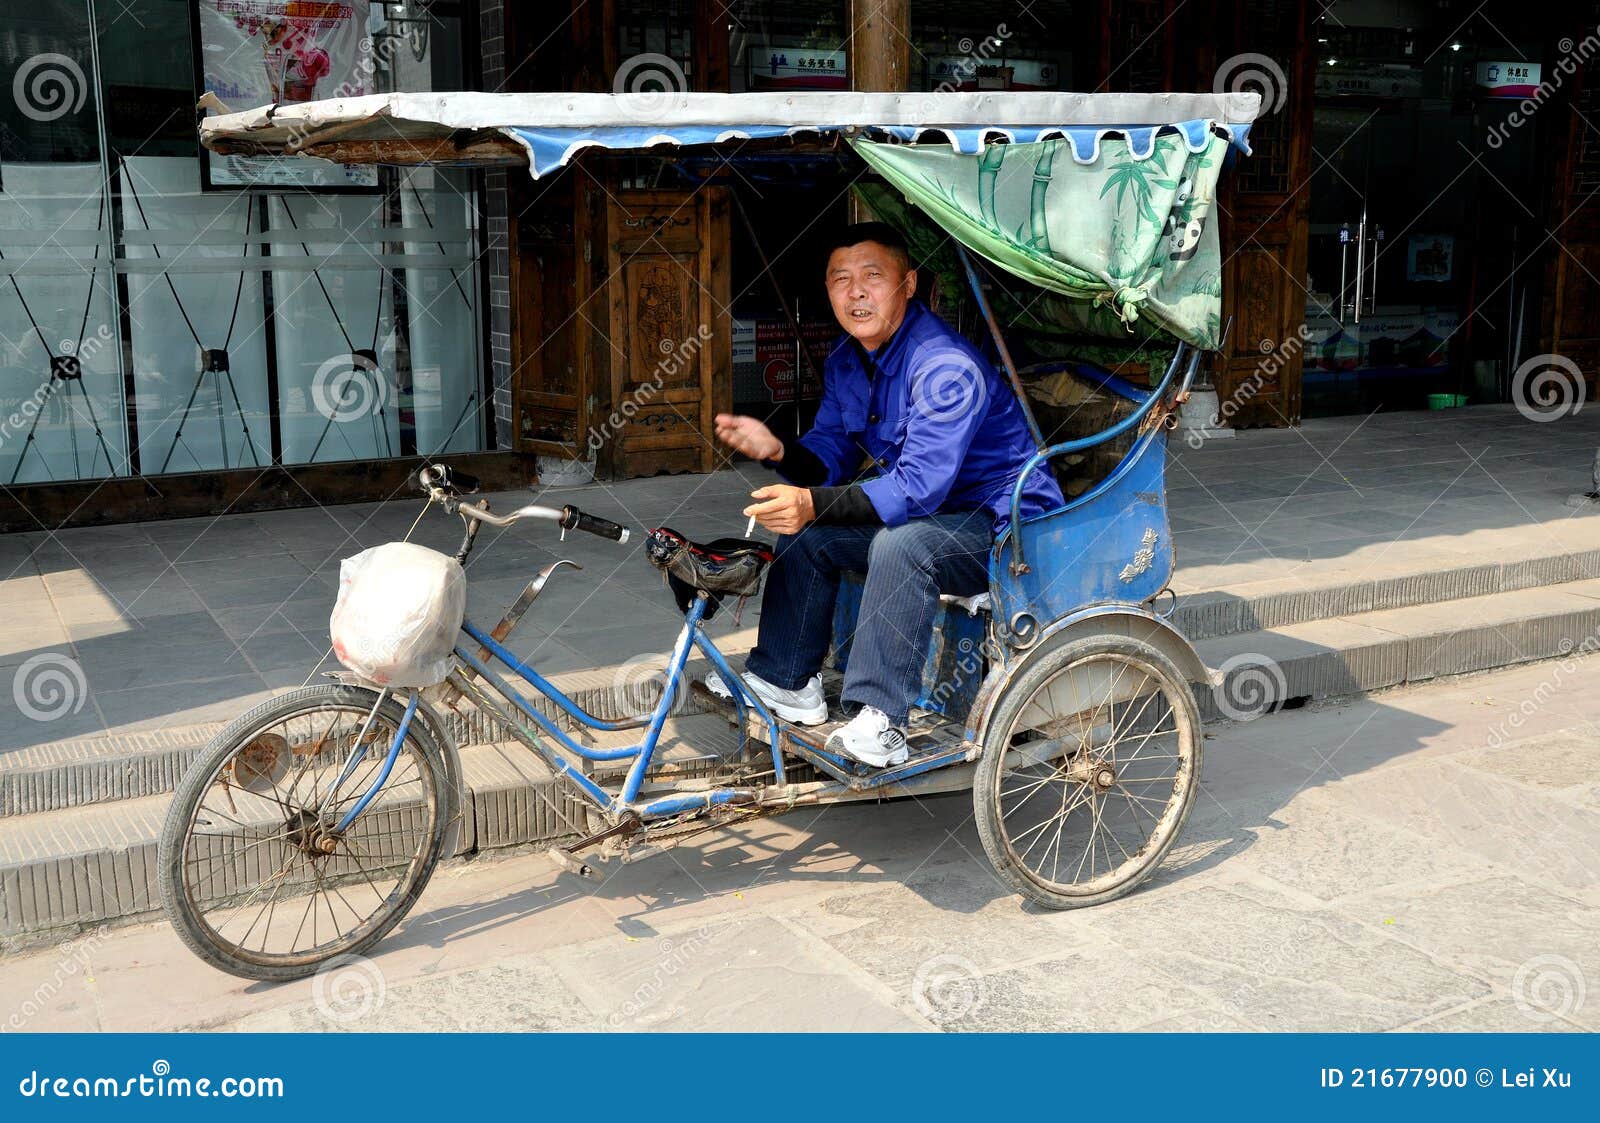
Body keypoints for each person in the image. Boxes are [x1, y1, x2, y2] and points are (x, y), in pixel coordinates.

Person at [709, 222, 1063, 767]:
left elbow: (918, 488)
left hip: (1002, 525)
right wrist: (778, 451)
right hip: (934, 513)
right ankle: (786, 681)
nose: (855, 293)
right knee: (812, 533)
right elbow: (830, 459)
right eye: (840, 280)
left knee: (900, 545)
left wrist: (812, 501)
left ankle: (883, 720)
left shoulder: (944, 367)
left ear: (908, 283)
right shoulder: (848, 361)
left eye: (872, 277)